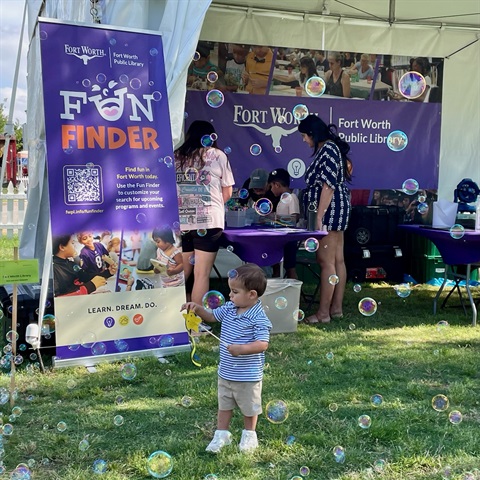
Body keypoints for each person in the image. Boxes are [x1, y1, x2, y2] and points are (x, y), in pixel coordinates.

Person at [180, 263, 271, 453]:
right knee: (224, 404)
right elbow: (212, 316)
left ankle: (249, 435)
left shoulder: (258, 317)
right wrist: (197, 309)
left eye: (234, 291)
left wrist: (242, 349)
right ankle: (221, 434)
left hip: (248, 375)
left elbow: (263, 344)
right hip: (226, 371)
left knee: (249, 407)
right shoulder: (230, 308)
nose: (230, 295)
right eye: (230, 291)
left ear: (252, 294)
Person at [298, 114, 352, 324]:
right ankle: (336, 309)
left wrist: (318, 217)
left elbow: (327, 186)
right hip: (335, 207)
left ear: (312, 133)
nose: (304, 140)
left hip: (329, 210)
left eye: (304, 135)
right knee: (338, 260)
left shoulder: (328, 149)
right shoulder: (330, 148)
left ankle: (323, 313)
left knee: (326, 260)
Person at [175, 120, 235, 304]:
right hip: (209, 220)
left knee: (181, 273)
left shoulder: (176, 156)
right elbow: (228, 192)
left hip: (182, 220)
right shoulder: (218, 155)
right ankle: (196, 324)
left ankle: (170, 320)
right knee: (201, 274)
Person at [268, 168, 300, 279]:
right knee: (276, 264)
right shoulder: (282, 200)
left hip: (289, 238)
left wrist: (275, 217)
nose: (271, 189)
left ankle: (294, 291)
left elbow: (294, 218)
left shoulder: (292, 197)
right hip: (281, 238)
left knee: (290, 267)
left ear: (276, 184)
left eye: (271, 186)